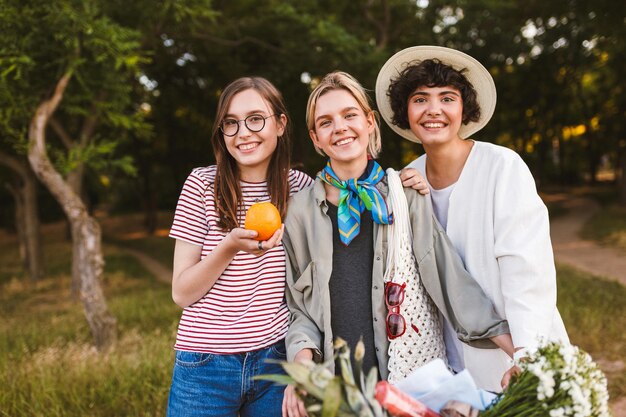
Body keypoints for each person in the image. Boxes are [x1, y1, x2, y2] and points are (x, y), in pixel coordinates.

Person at [282, 71, 514, 417]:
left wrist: (517, 350)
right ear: (316, 139)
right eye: (326, 122)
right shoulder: (299, 211)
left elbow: (447, 275)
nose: (340, 128)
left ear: (370, 121)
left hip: (406, 381)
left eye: (349, 115)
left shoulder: (404, 194)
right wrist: (301, 368)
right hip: (335, 389)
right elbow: (299, 307)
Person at [375, 45, 569, 392]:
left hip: (512, 354)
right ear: (406, 111)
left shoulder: (502, 167)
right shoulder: (404, 179)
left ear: (464, 109)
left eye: (447, 98)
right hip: (440, 363)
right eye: (420, 99)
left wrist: (527, 353)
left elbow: (527, 269)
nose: (433, 110)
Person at [166, 76, 313, 417]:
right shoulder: (202, 185)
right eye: (230, 123)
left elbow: (353, 190)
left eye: (255, 119)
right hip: (205, 366)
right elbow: (181, 293)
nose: (243, 132)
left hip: (275, 361)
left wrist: (406, 180)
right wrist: (228, 246)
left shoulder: (301, 188)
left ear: (280, 123)